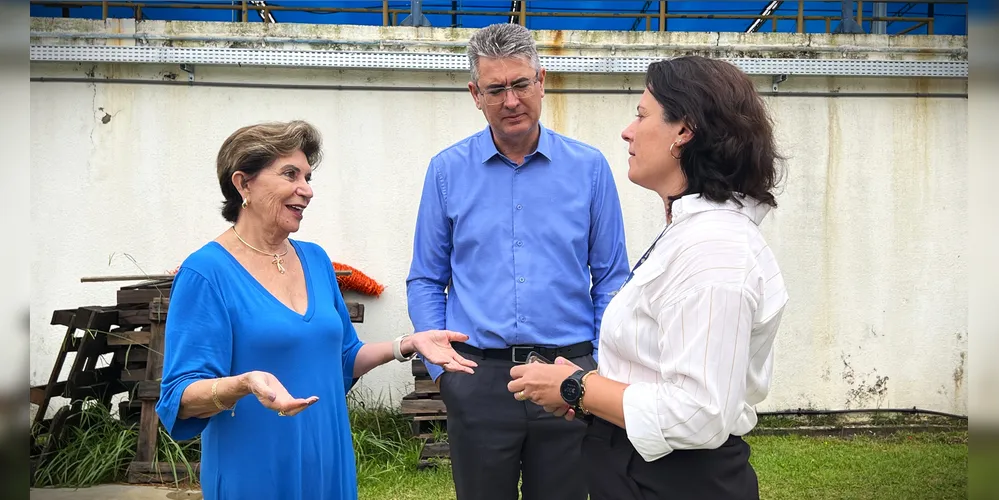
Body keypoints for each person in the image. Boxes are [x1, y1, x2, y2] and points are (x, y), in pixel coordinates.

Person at [506, 55, 790, 500]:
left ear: (684, 131)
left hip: (675, 480)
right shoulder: (690, 232)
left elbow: (699, 413)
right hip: (638, 467)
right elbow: (660, 367)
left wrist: (576, 386)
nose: (628, 131)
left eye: (641, 115)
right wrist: (589, 389)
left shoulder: (713, 250)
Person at [155, 120, 477, 500]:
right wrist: (244, 383)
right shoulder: (206, 272)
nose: (306, 190)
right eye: (290, 174)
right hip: (255, 468)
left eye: (307, 177)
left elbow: (344, 358)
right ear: (243, 184)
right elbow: (180, 395)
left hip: (328, 458)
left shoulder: (316, 260)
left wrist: (406, 343)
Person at [406, 22, 631, 500]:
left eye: (521, 84)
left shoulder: (589, 169)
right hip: (478, 380)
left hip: (569, 374)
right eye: (496, 89)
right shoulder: (446, 171)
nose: (511, 100)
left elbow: (611, 277)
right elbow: (426, 277)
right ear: (475, 93)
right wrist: (446, 373)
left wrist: (594, 364)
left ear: (541, 81)